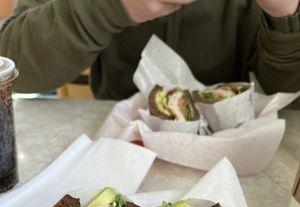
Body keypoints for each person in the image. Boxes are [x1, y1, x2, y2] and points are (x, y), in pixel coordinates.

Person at [0, 0, 299, 99]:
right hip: (111, 144)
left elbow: (290, 98)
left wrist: (285, 15)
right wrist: (112, 7)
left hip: (235, 148)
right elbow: (12, 67)